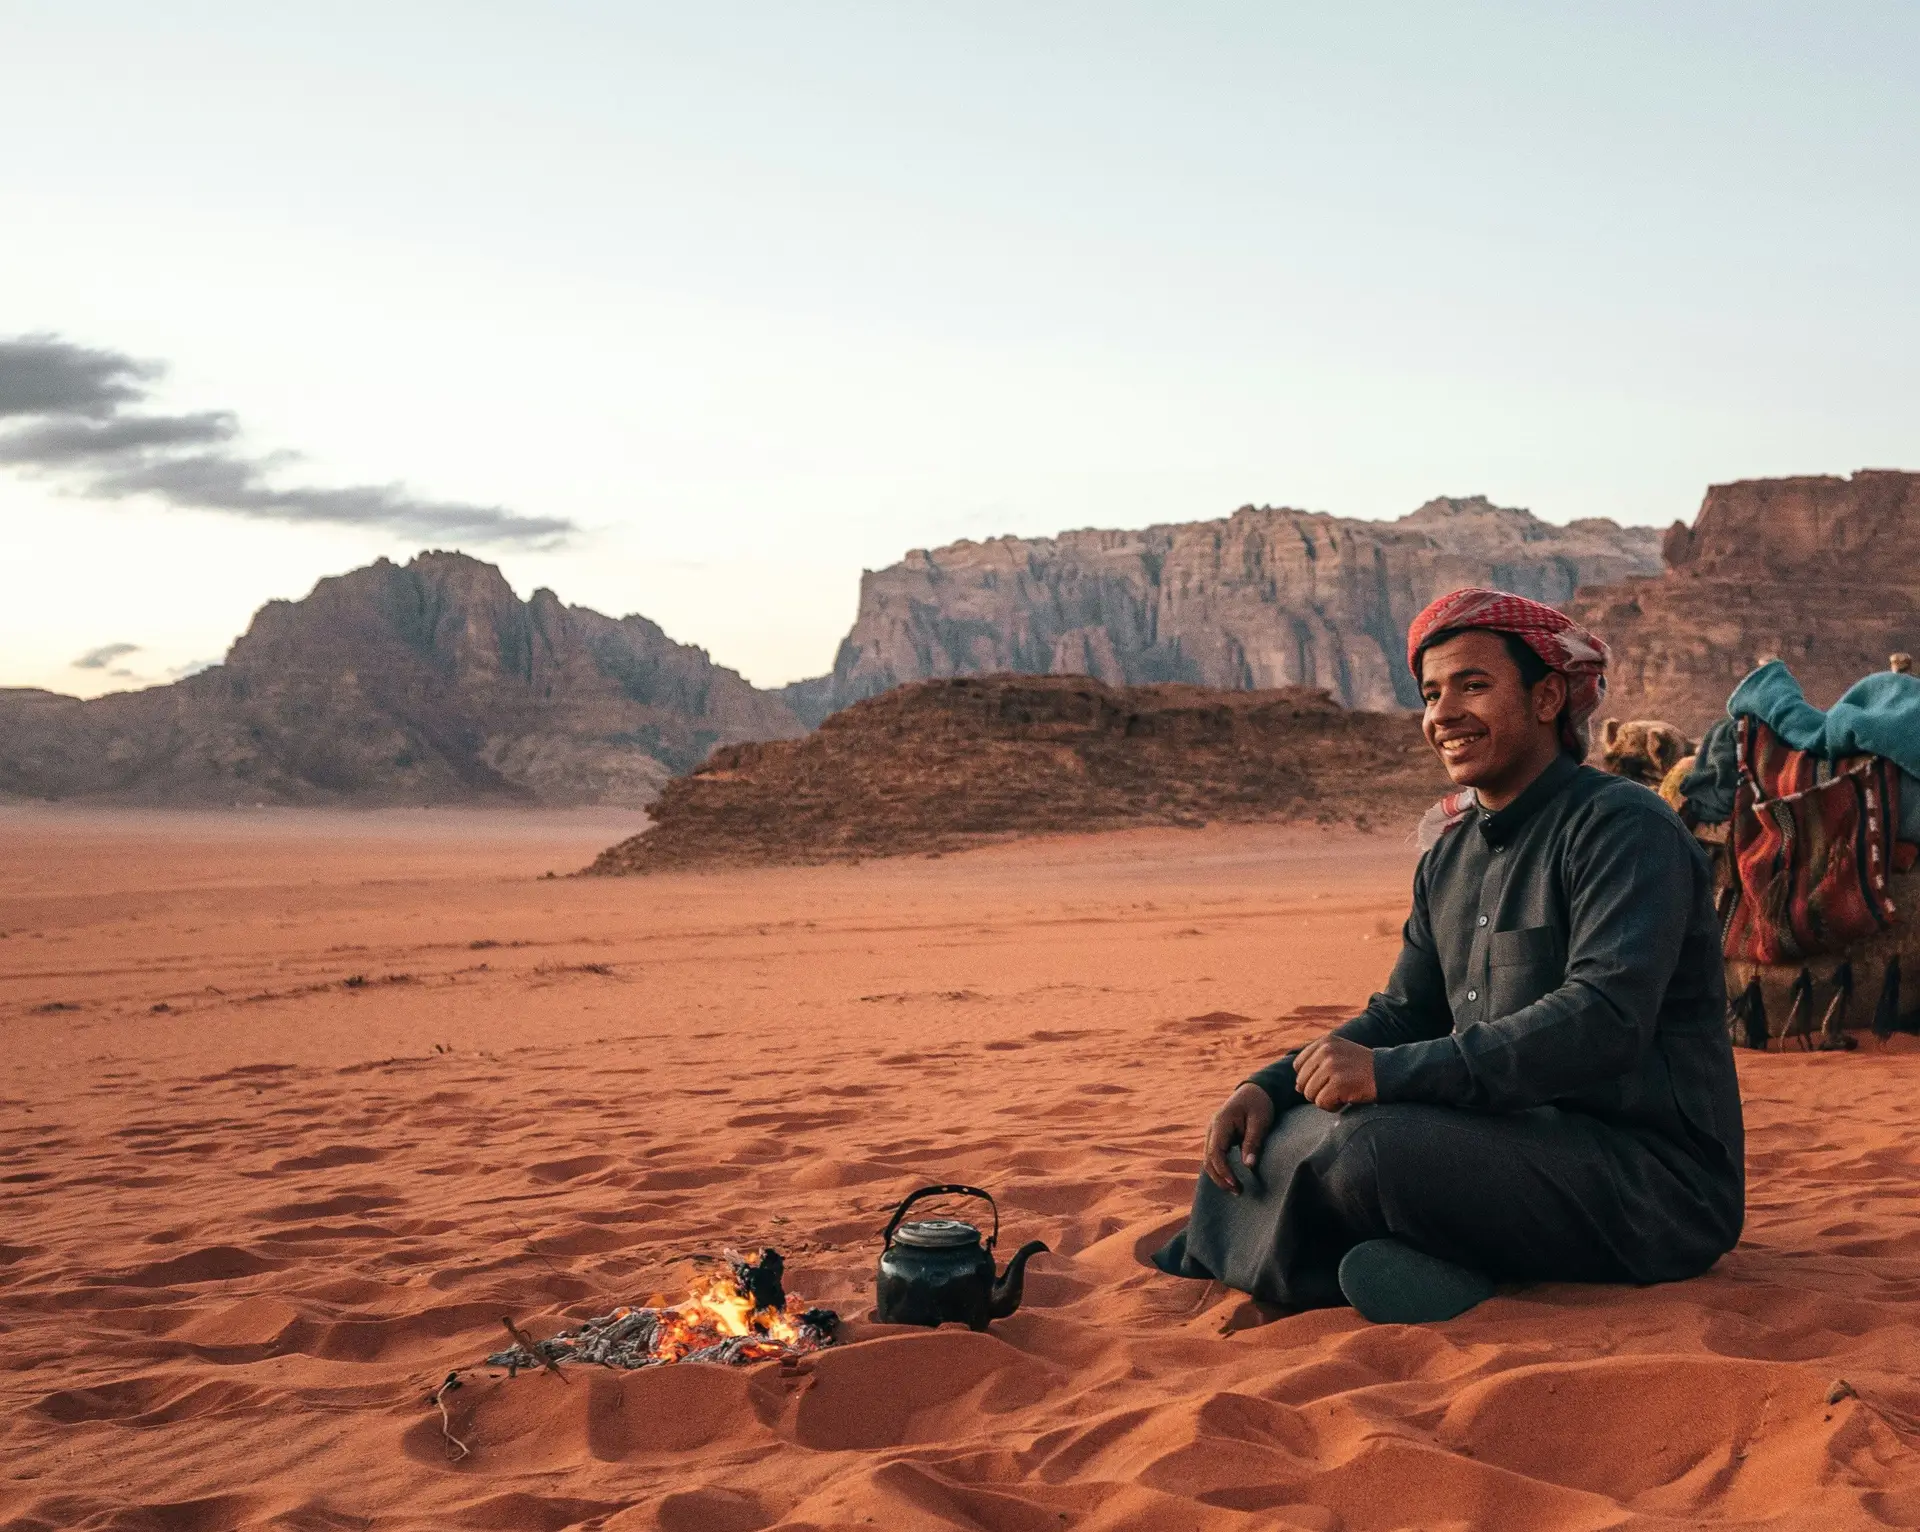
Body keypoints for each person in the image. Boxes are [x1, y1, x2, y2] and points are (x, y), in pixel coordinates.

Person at [1152, 588, 1745, 1323]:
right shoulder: (1450, 856)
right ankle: (1416, 1259)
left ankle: (1348, 1261)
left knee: (1368, 1151)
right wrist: (1270, 1085)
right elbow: (1405, 1013)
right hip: (1510, 1141)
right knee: (1276, 1133)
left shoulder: (1624, 829)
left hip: (1651, 1182)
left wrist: (1387, 1075)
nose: (1444, 715)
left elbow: (1604, 1020)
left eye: (1473, 685)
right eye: (1432, 694)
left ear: (1548, 697)